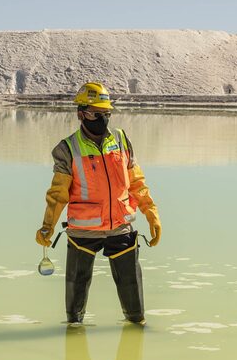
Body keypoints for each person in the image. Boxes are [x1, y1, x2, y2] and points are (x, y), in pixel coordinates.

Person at [35, 82, 161, 325]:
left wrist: (151, 213)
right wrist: (47, 226)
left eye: (106, 113)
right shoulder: (67, 149)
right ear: (80, 114)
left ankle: (136, 327)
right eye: (96, 113)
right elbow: (58, 193)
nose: (102, 119)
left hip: (120, 228)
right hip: (83, 232)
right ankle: (74, 339)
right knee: (75, 309)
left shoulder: (122, 140)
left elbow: (136, 182)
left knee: (134, 304)